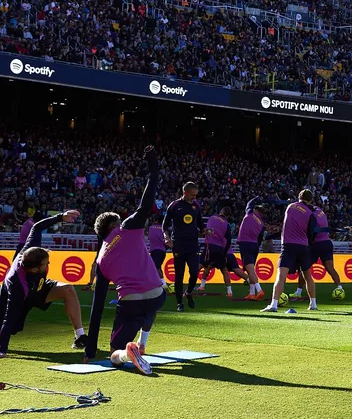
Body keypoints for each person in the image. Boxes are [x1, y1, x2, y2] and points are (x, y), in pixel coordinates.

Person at [85, 146, 166, 375]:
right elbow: (147, 199)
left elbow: (97, 307)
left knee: (114, 352)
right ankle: (142, 341)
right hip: (155, 297)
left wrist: (90, 350)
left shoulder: (100, 259)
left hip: (130, 303)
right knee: (158, 295)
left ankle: (126, 351)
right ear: (113, 226)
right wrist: (152, 165)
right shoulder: (127, 228)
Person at [0, 208, 85, 358]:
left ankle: (80, 337)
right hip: (16, 299)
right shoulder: (17, 284)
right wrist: (2, 350)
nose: (48, 263)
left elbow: (36, 227)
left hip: (38, 287)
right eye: (45, 263)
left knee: (68, 289)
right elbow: (9, 317)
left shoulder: (31, 250)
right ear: (35, 269)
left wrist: (60, 217)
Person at [261, 189, 319, 313]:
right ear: (310, 200)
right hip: (303, 246)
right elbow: (311, 232)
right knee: (308, 276)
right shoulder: (310, 213)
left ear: (299, 197)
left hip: (288, 245)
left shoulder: (290, 207)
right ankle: (313, 304)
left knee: (281, 276)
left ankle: (274, 305)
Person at [162, 181, 203, 311]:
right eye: (192, 195)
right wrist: (166, 237)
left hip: (193, 245)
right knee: (179, 275)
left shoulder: (196, 206)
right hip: (178, 245)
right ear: (185, 193)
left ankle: (189, 293)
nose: (194, 198)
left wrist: (206, 230)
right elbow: (165, 225)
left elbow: (200, 224)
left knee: (194, 272)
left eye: (196, 195)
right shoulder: (174, 206)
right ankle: (179, 303)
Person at [198, 207, 249, 298]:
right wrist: (224, 252)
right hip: (221, 250)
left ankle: (192, 286)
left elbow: (206, 230)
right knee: (224, 270)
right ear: (228, 215)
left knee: (202, 266)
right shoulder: (226, 225)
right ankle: (230, 292)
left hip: (210, 246)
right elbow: (229, 240)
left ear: (221, 211)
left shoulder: (212, 217)